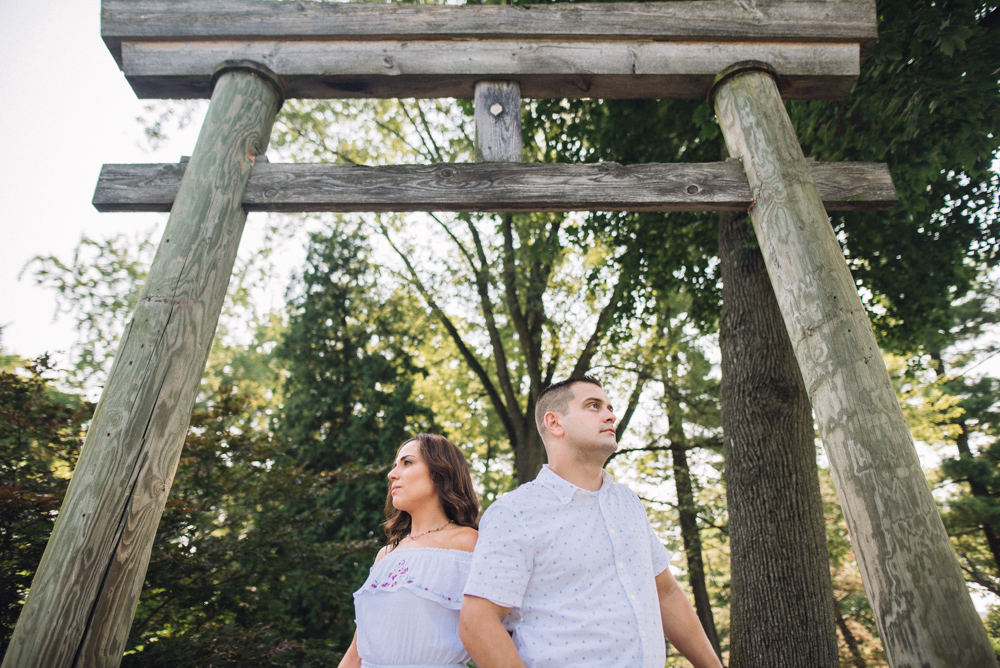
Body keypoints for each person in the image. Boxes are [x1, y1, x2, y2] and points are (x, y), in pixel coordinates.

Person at [459, 376, 723, 668]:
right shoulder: (514, 513)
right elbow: (477, 623)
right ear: (555, 423)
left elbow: (666, 594)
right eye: (594, 406)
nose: (610, 415)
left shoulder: (628, 503)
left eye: (610, 407)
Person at [337, 433, 479, 668]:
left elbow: (495, 631)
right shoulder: (386, 556)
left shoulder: (468, 543)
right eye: (395, 465)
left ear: (440, 473)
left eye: (407, 462)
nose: (392, 474)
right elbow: (357, 651)